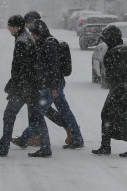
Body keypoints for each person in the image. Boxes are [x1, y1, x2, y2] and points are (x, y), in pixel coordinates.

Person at [0, 15, 51, 157]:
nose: (9, 28)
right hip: (30, 85)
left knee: (9, 115)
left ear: (17, 27)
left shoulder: (22, 41)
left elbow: (22, 67)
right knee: (38, 116)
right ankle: (46, 147)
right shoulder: (26, 38)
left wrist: (15, 85)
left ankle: (4, 147)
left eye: (10, 26)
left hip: (24, 87)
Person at [17, 19, 84, 151]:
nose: (33, 37)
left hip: (52, 85)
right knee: (65, 112)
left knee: (38, 112)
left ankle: (24, 138)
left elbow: (53, 68)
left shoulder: (49, 44)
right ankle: (77, 138)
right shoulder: (47, 42)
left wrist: (53, 87)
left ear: (39, 33)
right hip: (55, 84)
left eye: (34, 34)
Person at [92, 25, 127, 157]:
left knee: (122, 116)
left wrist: (116, 84)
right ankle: (107, 146)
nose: (105, 41)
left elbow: (120, 71)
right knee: (110, 115)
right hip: (120, 87)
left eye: (106, 38)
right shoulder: (117, 48)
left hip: (122, 88)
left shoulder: (119, 51)